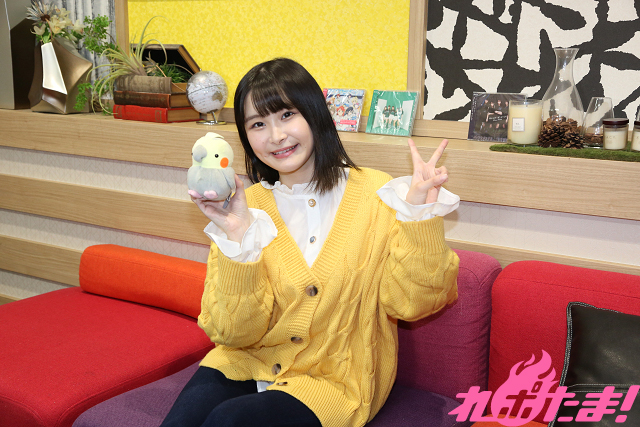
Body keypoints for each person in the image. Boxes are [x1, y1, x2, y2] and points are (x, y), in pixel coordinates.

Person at [167, 57, 460, 427]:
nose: (276, 136)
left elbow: (413, 304)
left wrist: (419, 214)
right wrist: (238, 239)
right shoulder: (245, 206)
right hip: (245, 360)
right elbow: (232, 333)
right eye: (258, 124)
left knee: (230, 421)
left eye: (287, 115)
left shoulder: (378, 194)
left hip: (334, 379)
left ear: (315, 114)